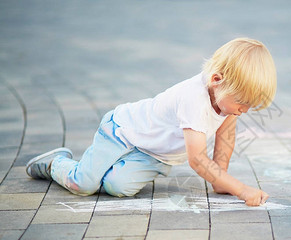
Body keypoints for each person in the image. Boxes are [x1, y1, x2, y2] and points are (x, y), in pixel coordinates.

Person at [26, 37, 277, 206]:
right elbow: (197, 160)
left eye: (249, 106)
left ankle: (103, 168)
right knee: (83, 184)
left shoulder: (226, 102)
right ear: (216, 80)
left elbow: (226, 137)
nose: (243, 111)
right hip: (121, 131)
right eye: (241, 103)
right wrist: (240, 190)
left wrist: (220, 180)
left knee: (118, 187)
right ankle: (54, 164)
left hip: (153, 154)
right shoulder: (194, 99)